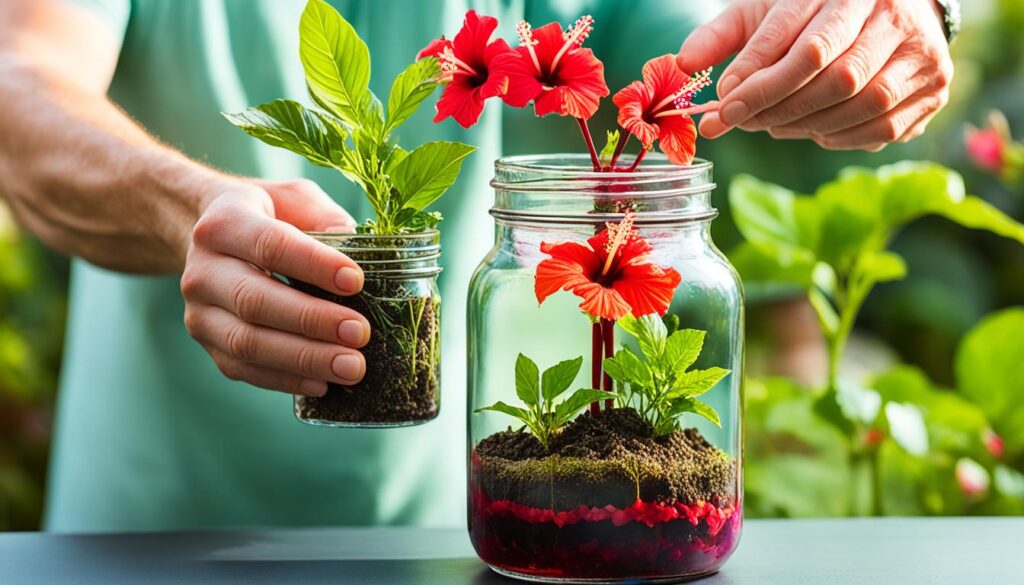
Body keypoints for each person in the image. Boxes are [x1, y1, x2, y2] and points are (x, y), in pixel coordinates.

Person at [0, 0, 955, 532]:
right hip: (155, 539)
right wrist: (191, 211)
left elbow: (705, 54)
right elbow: (19, 84)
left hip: (460, 543)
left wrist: (898, 16)